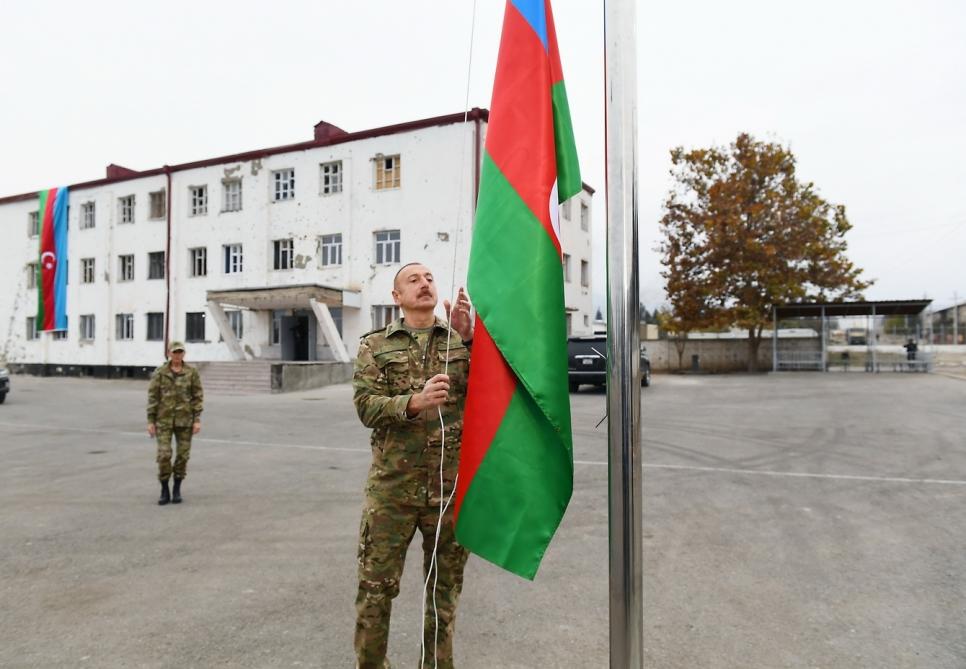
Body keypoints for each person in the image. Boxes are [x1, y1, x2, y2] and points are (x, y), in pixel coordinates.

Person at [352, 262, 473, 669]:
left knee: (443, 596)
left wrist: (472, 341)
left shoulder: (460, 342)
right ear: (397, 296)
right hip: (392, 493)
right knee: (375, 592)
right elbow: (366, 407)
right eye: (412, 280)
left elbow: (490, 399)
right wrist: (414, 402)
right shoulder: (375, 346)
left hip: (448, 492)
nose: (423, 284)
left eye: (428, 278)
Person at [146, 340, 203, 506]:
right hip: (163, 421)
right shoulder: (160, 373)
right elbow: (153, 397)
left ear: (183, 354)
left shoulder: (191, 373)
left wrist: (197, 420)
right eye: (175, 352)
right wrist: (150, 421)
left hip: (185, 421)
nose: (177, 355)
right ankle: (165, 489)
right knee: (164, 455)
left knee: (182, 456)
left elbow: (197, 396)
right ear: (169, 353)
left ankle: (177, 488)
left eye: (180, 352)